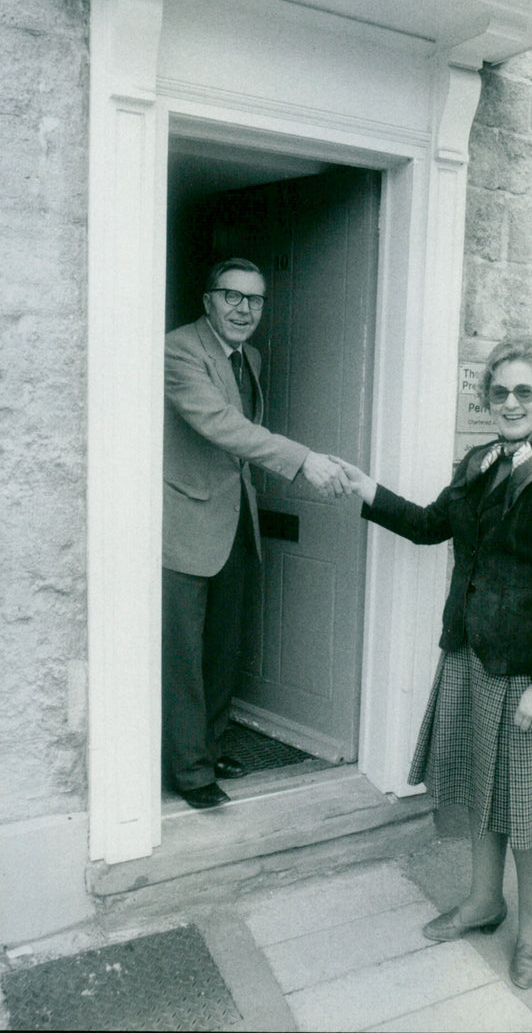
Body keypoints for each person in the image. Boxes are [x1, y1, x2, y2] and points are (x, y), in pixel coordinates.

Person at [334, 338, 532, 989]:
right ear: (487, 399)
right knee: (484, 786)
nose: (509, 402)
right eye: (500, 391)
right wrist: (366, 489)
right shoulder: (479, 461)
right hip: (475, 655)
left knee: (528, 803)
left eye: (524, 392)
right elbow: (431, 525)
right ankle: (485, 900)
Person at [162, 257, 350, 809]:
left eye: (256, 300)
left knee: (223, 649)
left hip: (235, 522)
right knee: (183, 655)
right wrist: (301, 459)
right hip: (183, 523)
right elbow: (222, 425)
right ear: (207, 300)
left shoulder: (252, 357)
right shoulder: (177, 351)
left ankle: (209, 744)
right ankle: (189, 772)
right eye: (232, 297)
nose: (244, 310)